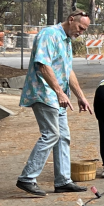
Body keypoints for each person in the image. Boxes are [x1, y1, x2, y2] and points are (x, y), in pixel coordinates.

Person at [16, 10, 93, 196]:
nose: (81, 32)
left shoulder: (66, 41)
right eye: (80, 28)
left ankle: (63, 181)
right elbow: (43, 65)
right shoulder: (49, 34)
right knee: (51, 134)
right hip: (44, 93)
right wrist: (59, 92)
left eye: (84, 30)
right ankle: (27, 178)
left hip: (58, 96)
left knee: (63, 136)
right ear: (71, 19)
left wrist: (80, 96)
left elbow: (68, 71)